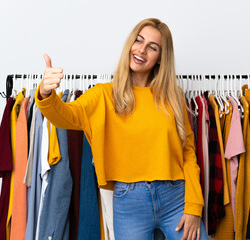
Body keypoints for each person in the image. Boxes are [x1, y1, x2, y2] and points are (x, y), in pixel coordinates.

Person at [36, 18, 208, 240]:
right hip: (129, 203)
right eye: (139, 41)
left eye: (152, 47)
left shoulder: (172, 97)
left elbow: (188, 153)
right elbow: (66, 117)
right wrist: (45, 94)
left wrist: (194, 206)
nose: (142, 50)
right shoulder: (104, 95)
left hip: (175, 198)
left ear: (160, 59)